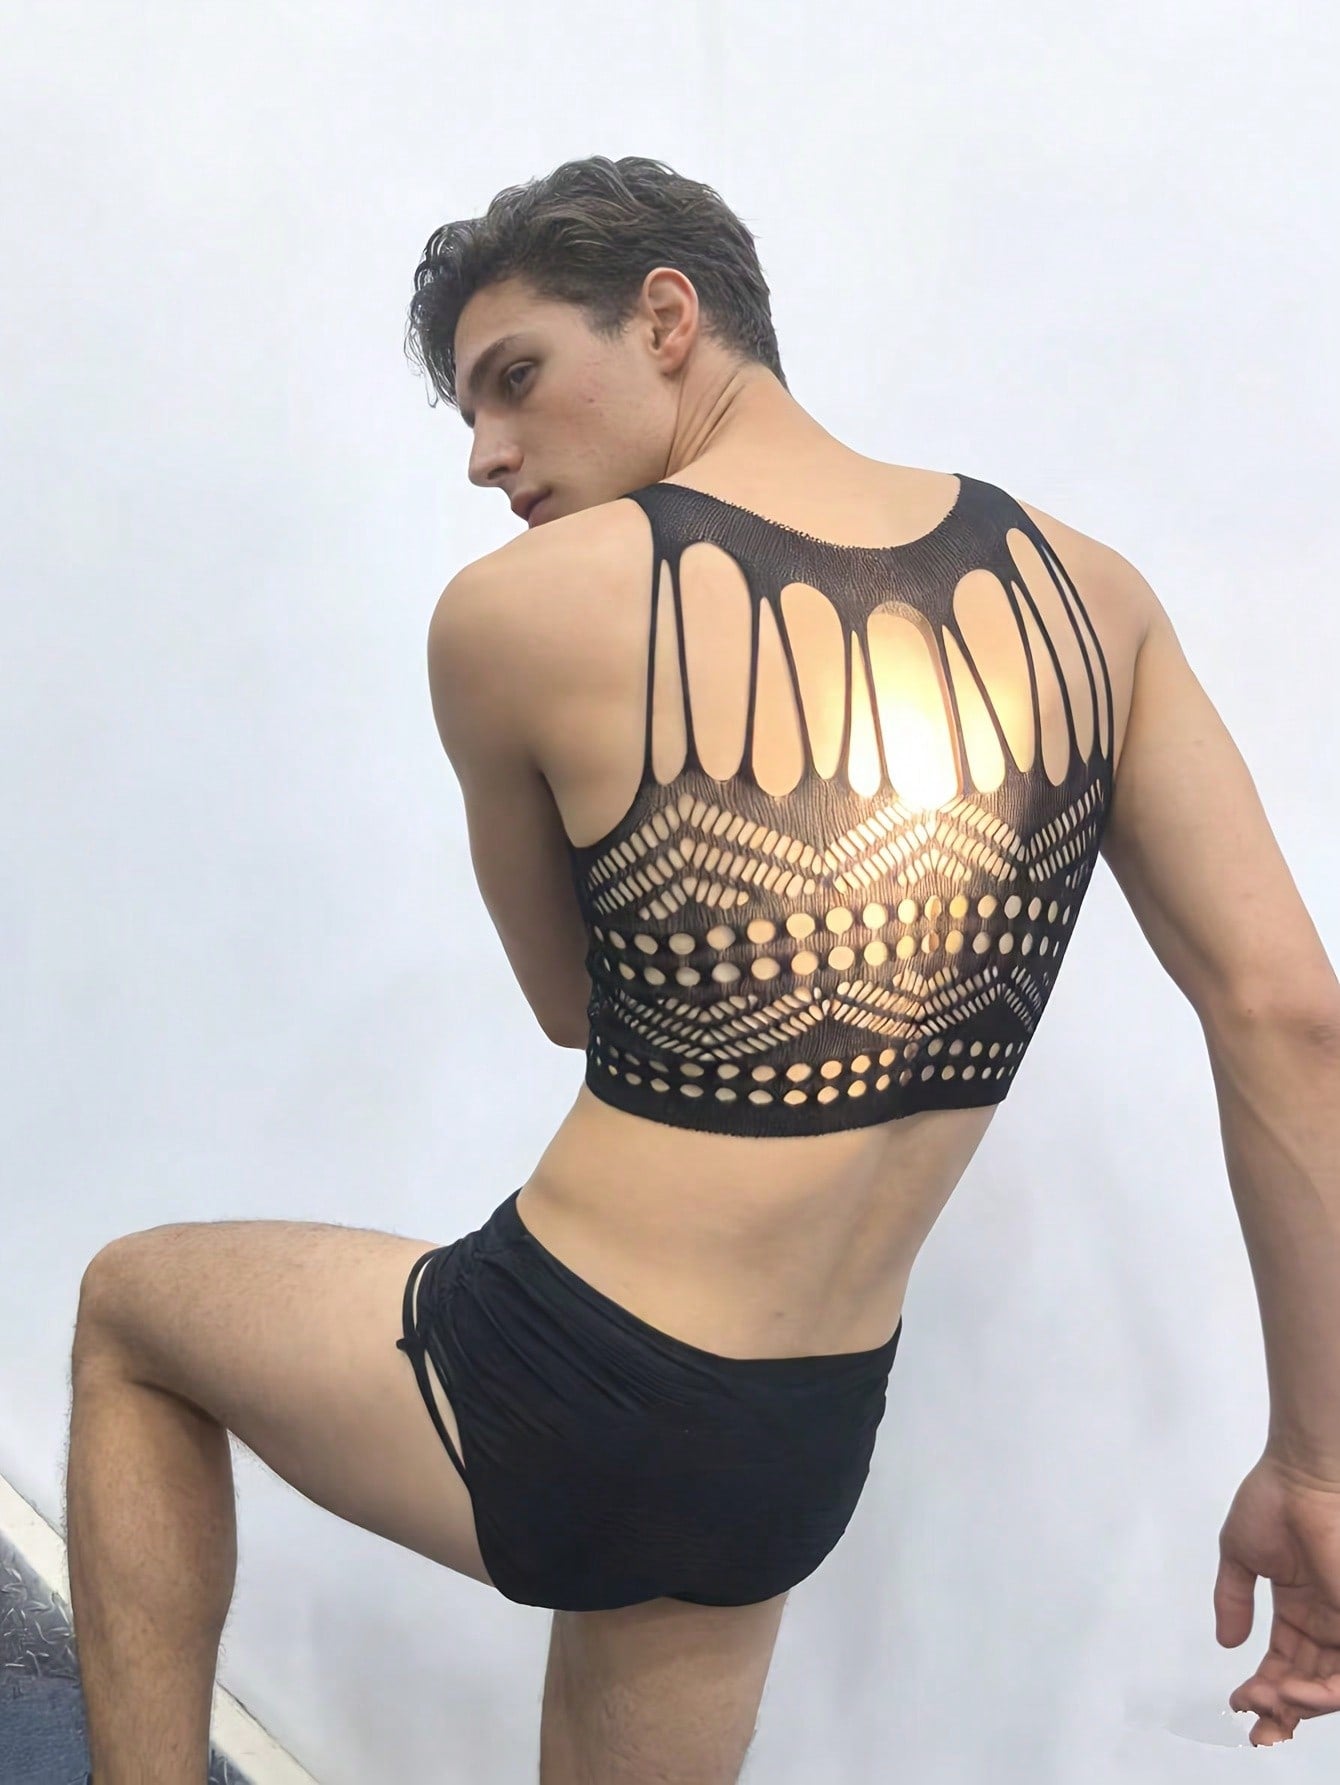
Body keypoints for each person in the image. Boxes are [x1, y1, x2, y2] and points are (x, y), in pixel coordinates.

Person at [64, 154, 1340, 1782]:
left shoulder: (515, 615)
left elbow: (571, 1006)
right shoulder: (1095, 597)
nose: (484, 453)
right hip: (796, 1440)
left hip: (561, 1370)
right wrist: (1319, 1464)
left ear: (667, 318)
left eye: (514, 378)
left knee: (131, 1314)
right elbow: (1291, 1015)